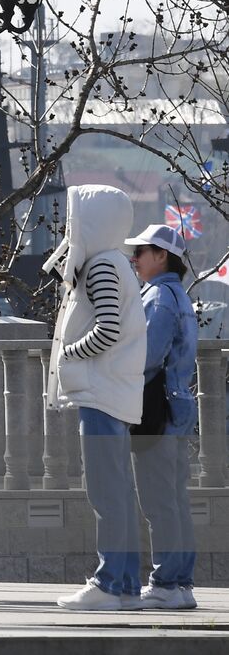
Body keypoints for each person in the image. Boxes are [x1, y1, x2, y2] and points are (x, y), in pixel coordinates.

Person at [48, 185, 148, 611]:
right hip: (112, 392)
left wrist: (70, 354)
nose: (70, 229)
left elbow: (107, 329)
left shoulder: (103, 267)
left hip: (101, 394)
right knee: (117, 493)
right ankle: (123, 585)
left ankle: (109, 583)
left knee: (106, 494)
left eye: (75, 221)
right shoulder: (114, 263)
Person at [126, 224, 198, 610]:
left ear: (161, 256)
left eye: (140, 251)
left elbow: (147, 358)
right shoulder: (178, 295)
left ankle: (167, 581)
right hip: (178, 408)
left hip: (156, 411)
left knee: (158, 503)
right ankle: (180, 582)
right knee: (175, 500)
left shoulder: (158, 297)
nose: (134, 259)